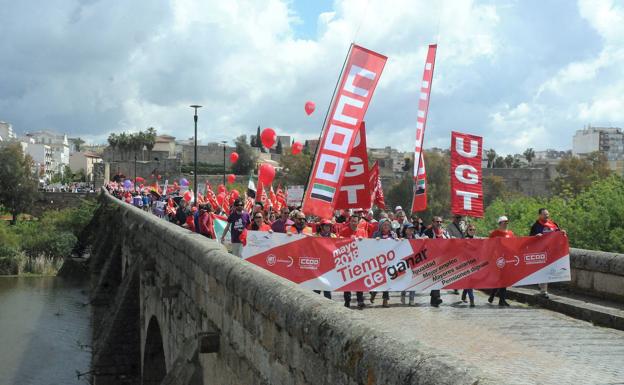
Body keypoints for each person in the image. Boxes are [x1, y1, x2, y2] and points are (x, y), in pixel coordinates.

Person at [530, 208, 565, 298]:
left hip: (553, 252)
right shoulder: (535, 226)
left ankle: (542, 286)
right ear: (540, 215)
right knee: (544, 271)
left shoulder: (553, 224)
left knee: (549, 271)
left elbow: (559, 235)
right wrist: (536, 236)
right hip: (541, 252)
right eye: (545, 214)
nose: (547, 216)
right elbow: (530, 239)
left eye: (547, 214)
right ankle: (543, 291)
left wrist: (563, 233)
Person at [339, 214, 368, 309]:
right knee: (347, 281)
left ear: (358, 222)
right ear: (349, 221)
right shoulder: (344, 231)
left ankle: (360, 300)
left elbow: (367, 244)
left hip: (359, 260)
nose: (353, 223)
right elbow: (339, 244)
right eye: (352, 221)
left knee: (359, 281)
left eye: (355, 221)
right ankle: (347, 301)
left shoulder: (362, 231)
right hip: (347, 259)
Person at [423, 216, 451, 307]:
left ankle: (434, 299)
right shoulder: (427, 232)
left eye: (440, 221)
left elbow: (450, 241)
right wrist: (424, 238)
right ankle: (437, 297)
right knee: (436, 277)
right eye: (437, 221)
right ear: (432, 222)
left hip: (442, 258)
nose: (439, 223)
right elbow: (420, 240)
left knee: (438, 278)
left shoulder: (445, 232)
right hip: (431, 258)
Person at [371, 219, 398, 308]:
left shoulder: (393, 234)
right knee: (378, 280)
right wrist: (375, 241)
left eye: (388, 225)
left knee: (387, 281)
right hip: (378, 261)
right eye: (384, 225)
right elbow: (369, 245)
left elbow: (398, 245)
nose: (386, 226)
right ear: (380, 226)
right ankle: (373, 293)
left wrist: (399, 240)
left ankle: (385, 300)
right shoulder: (376, 234)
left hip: (389, 261)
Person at [488, 216, 513, 306]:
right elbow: (489, 245)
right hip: (497, 259)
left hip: (508, 259)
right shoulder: (495, 233)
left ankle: (493, 296)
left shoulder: (510, 233)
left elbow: (515, 244)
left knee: (503, 280)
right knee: (502, 280)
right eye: (504, 222)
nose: (506, 223)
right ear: (500, 223)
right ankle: (501, 300)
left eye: (507, 221)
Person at [400, 223, 421, 306]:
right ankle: (403, 295)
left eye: (413, 229)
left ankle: (411, 299)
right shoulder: (402, 239)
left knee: (413, 281)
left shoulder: (417, 238)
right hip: (405, 264)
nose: (412, 230)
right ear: (405, 230)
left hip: (414, 263)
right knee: (405, 281)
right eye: (410, 229)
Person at [313, 219, 335, 299]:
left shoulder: (333, 236)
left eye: (329, 226)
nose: (328, 227)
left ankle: (328, 304)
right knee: (316, 288)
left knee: (327, 288)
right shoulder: (315, 236)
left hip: (328, 266)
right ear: (321, 227)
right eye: (326, 225)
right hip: (317, 265)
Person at [461, 224, 478, 307]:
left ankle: (464, 295)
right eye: (470, 229)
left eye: (473, 229)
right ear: (467, 231)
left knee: (469, 281)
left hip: (475, 263)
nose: (472, 231)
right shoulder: (464, 240)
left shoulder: (477, 239)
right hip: (466, 264)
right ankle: (472, 300)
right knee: (469, 282)